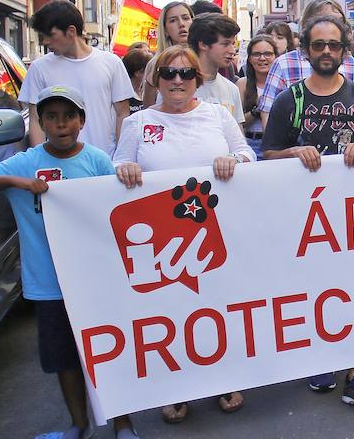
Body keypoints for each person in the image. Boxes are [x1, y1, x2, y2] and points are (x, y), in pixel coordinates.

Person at [0, 85, 139, 439]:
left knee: (111, 355)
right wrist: (17, 182)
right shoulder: (28, 162)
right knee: (63, 359)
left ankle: (124, 424)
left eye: (69, 116)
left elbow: (116, 209)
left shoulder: (96, 160)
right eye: (52, 118)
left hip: (97, 281)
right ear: (41, 123)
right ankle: (78, 424)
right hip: (49, 283)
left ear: (82, 121)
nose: (61, 125)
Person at [113, 45, 254, 424]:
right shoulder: (137, 123)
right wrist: (124, 169)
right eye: (169, 73)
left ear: (197, 79)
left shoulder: (216, 116)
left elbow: (246, 154)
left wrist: (234, 160)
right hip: (163, 239)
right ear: (156, 79)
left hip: (216, 231)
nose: (177, 80)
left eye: (186, 74)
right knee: (171, 313)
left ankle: (224, 379)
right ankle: (175, 387)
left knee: (219, 307)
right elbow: (119, 162)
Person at [262, 15, 354, 413]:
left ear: (343, 50)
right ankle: (319, 359)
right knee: (314, 292)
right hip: (305, 220)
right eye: (318, 46)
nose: (326, 53)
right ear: (305, 49)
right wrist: (292, 153)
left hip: (353, 219)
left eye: (334, 45)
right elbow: (267, 154)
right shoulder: (291, 98)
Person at [21, 0, 134, 157]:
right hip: (58, 166)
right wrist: (41, 161)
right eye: (42, 36)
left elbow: (123, 113)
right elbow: (35, 119)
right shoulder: (39, 68)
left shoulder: (111, 62)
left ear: (71, 31)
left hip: (104, 162)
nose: (45, 42)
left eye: (50, 35)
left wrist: (122, 158)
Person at [257, 0, 354, 127]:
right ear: (308, 25)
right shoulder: (284, 64)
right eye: (325, 20)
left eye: (339, 21)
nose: (332, 27)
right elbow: (268, 113)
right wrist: (277, 146)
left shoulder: (352, 65)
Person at [187, 13, 246, 128]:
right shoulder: (176, 86)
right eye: (225, 44)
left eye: (233, 44)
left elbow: (238, 138)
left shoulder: (232, 89)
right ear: (203, 44)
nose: (232, 51)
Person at [142, 1, 195, 107]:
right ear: (165, 29)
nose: (181, 24)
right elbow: (148, 111)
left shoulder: (205, 60)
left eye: (185, 18)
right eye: (173, 20)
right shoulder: (155, 64)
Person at [236, 34, 279, 157]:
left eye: (268, 54)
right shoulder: (242, 84)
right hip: (250, 144)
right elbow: (236, 122)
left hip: (277, 146)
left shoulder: (283, 84)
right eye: (256, 54)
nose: (262, 58)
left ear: (276, 57)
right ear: (249, 58)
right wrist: (257, 111)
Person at [122, 48, 152, 114]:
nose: (152, 74)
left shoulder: (149, 92)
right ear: (138, 72)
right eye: (149, 70)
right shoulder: (123, 96)